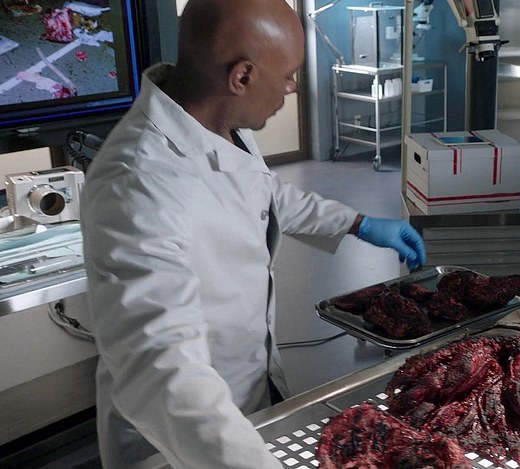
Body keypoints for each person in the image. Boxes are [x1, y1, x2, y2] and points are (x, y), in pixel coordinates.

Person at [80, 0, 426, 467]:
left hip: (247, 392)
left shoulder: (217, 124)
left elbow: (266, 194)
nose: (292, 87)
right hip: (179, 441)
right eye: (288, 75)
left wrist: (358, 223)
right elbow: (162, 373)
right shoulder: (137, 182)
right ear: (241, 76)